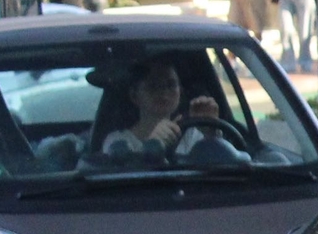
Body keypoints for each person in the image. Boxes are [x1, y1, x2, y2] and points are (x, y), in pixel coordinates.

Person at [94, 58, 225, 166]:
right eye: (154, 86)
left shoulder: (191, 135)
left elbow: (221, 169)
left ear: (180, 91)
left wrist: (211, 133)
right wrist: (151, 146)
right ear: (134, 96)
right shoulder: (117, 141)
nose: (164, 92)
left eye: (171, 84)